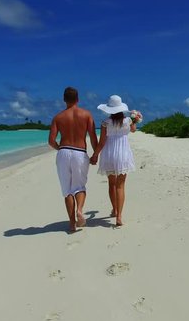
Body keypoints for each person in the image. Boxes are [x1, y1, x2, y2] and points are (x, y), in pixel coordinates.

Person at [49, 87, 98, 233]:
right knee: (79, 186)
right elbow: (93, 138)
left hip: (63, 152)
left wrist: (60, 148)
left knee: (67, 190)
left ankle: (71, 224)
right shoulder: (86, 115)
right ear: (78, 99)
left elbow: (51, 141)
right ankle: (80, 211)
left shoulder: (58, 117)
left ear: (64, 99)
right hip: (79, 152)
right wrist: (95, 154)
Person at [91, 95, 137, 227]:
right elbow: (133, 130)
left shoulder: (105, 123)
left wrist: (95, 155)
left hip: (109, 153)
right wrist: (135, 119)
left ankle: (115, 209)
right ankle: (119, 216)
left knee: (111, 184)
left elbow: (102, 142)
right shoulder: (128, 121)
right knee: (121, 185)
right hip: (123, 153)